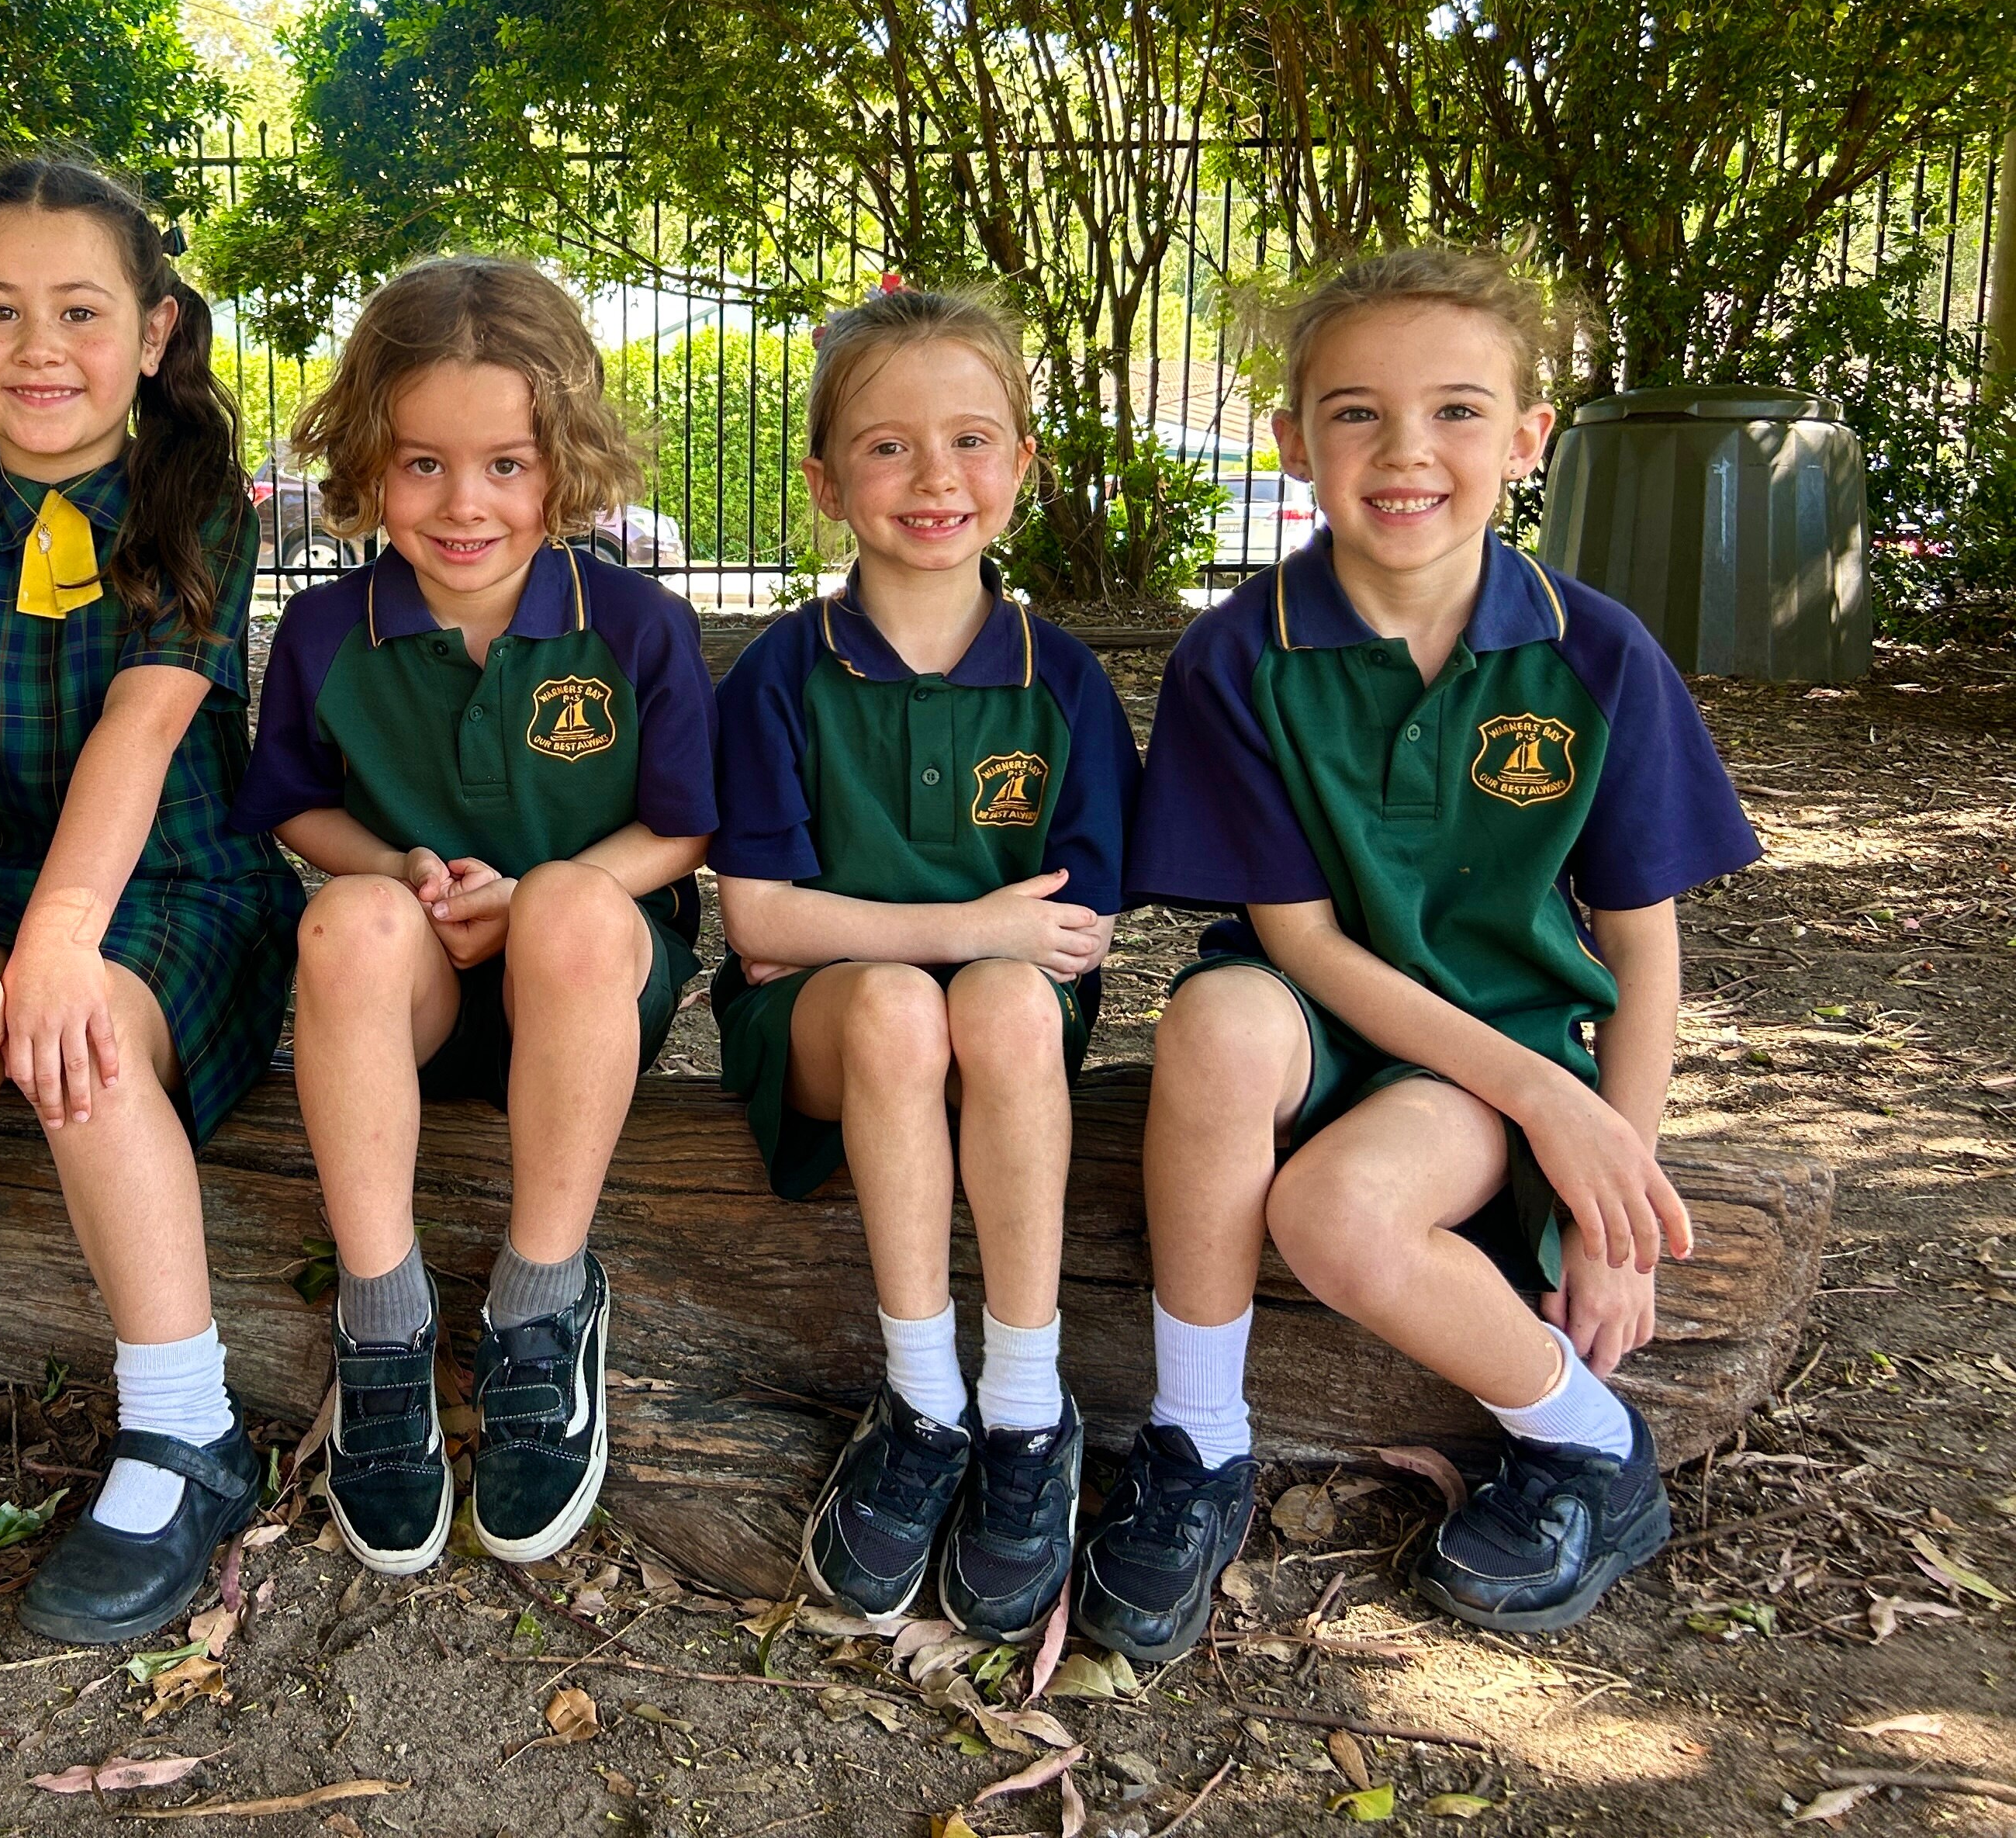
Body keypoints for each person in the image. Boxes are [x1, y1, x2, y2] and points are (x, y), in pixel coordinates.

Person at [1084, 247, 1761, 1660]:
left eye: (1457, 411)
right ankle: (1199, 1446)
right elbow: (1299, 942)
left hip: (1488, 1053)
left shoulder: (1597, 653)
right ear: (1293, 442)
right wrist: (1547, 1099)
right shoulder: (1241, 654)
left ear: (1527, 439)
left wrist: (1605, 1199)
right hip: (1317, 1013)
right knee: (1211, 1017)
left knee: (1336, 1216)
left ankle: (1587, 1446)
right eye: (1356, 414)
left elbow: (1643, 947)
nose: (1406, 453)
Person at [0, 157, 301, 1644]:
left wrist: (61, 946)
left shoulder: (196, 495)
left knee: (77, 1054)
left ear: (154, 332)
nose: (40, 349)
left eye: (81, 312)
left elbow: (148, 728)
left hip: (172, 870)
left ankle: (185, 1425)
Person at [235, 257, 717, 1577]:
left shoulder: (634, 625)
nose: (465, 504)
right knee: (344, 921)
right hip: (420, 988)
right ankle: (383, 1316)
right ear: (366, 461)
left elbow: (685, 826)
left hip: (586, 985)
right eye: (423, 464)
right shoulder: (330, 631)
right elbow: (293, 806)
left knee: (568, 905)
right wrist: (407, 877)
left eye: (506, 464)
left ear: (562, 457)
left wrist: (543, 894)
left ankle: (544, 1296)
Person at [711, 285, 1138, 1636]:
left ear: (1023, 466)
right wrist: (963, 928)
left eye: (971, 439)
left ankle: (1023, 1403)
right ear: (828, 482)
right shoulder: (777, 677)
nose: (934, 477)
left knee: (1011, 1000)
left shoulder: (1060, 679)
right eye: (889, 446)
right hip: (837, 1037)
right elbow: (765, 925)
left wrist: (970, 946)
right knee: (902, 1004)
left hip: (1010, 1036)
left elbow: (1073, 934)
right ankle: (921, 1397)